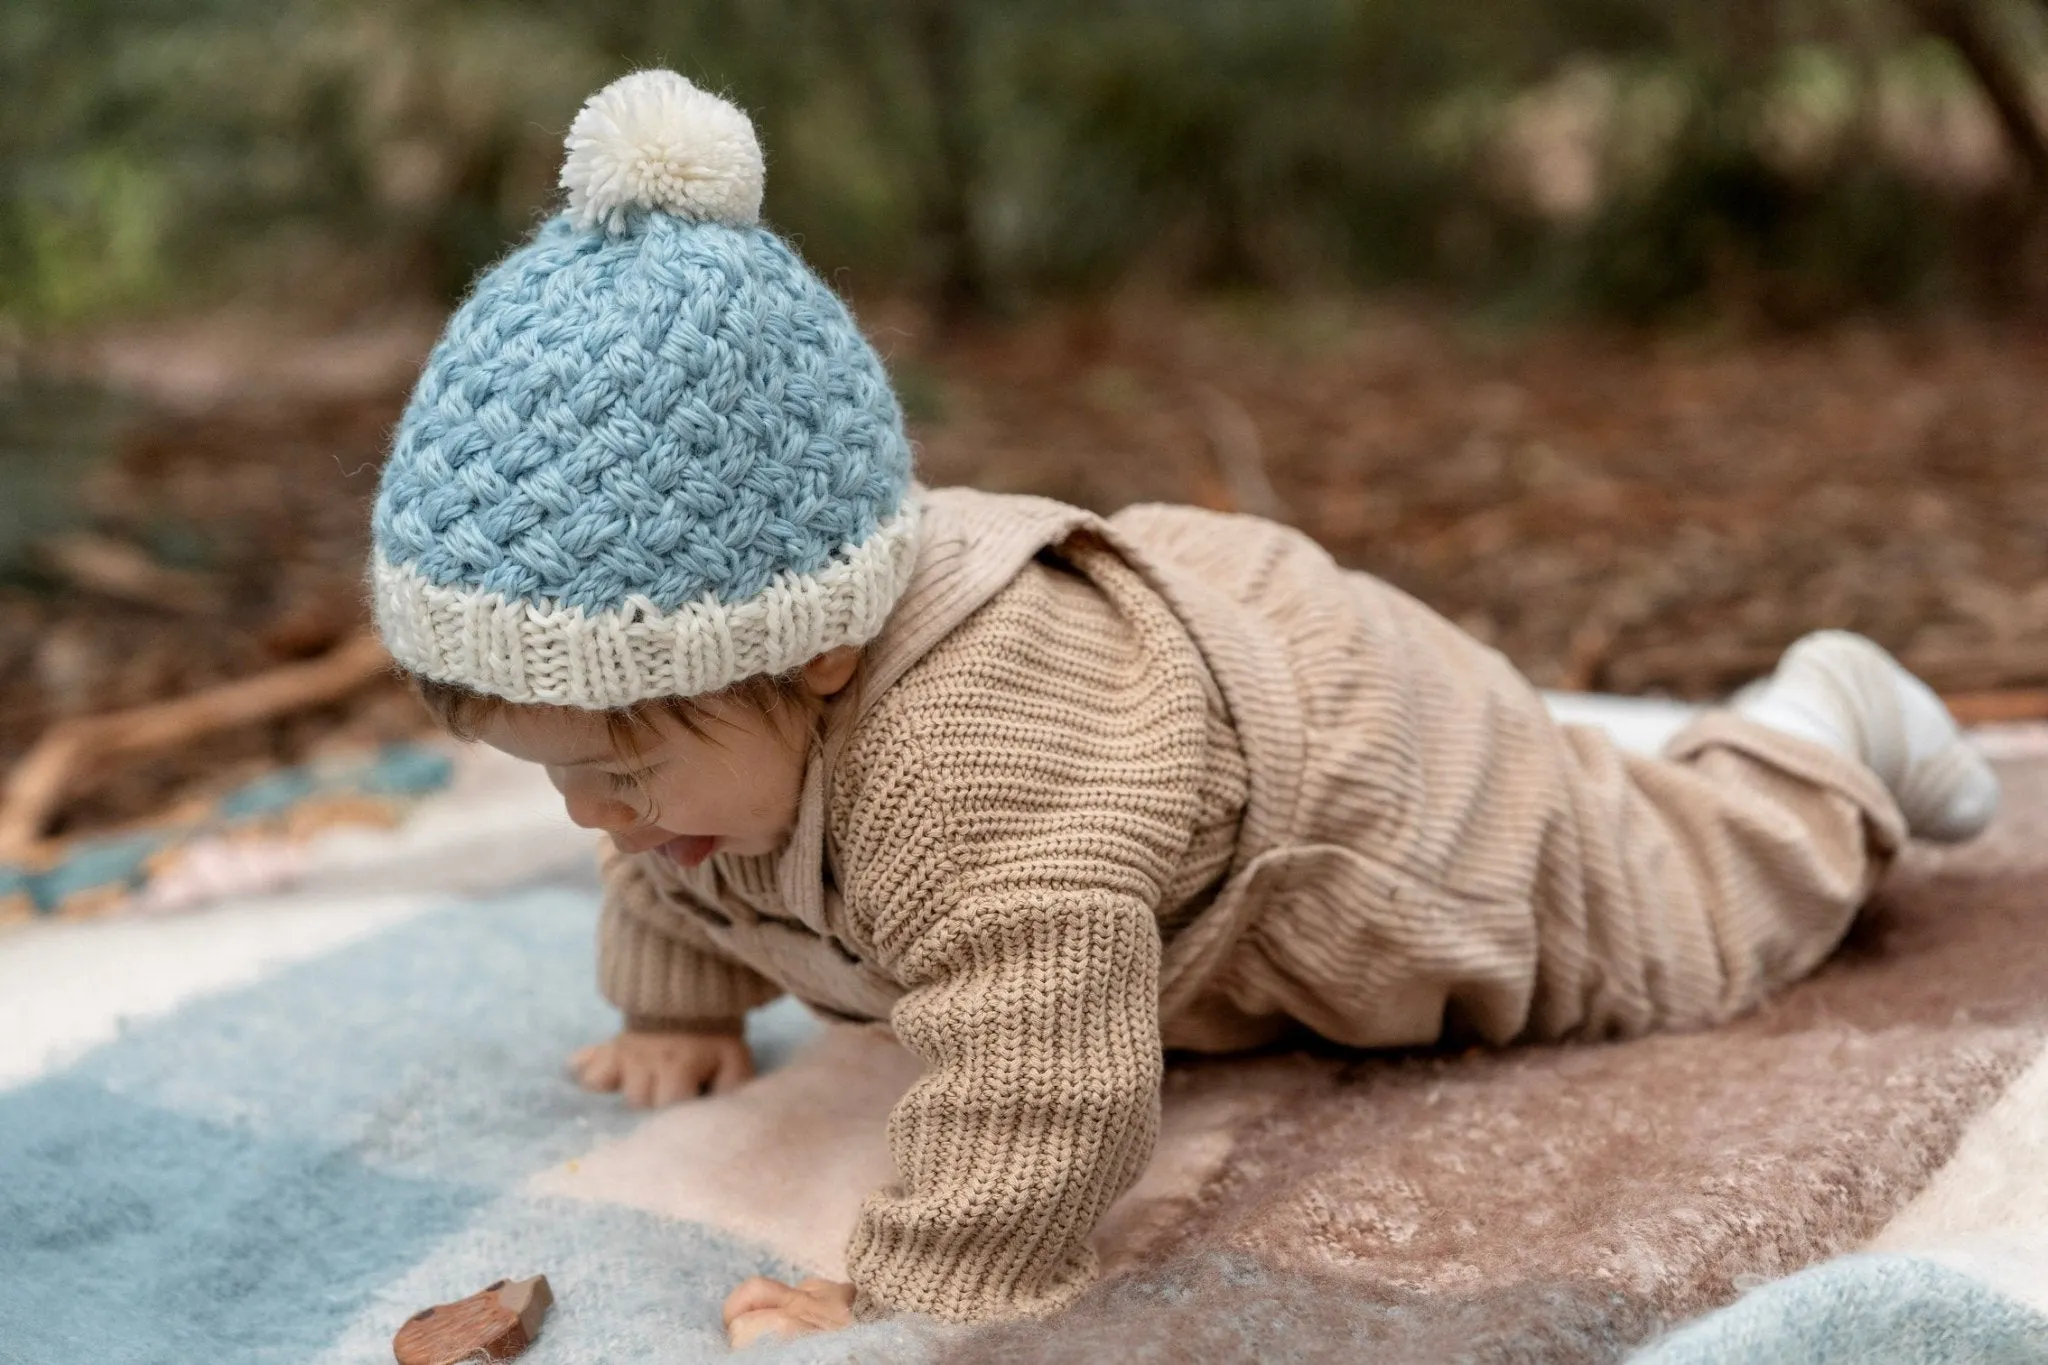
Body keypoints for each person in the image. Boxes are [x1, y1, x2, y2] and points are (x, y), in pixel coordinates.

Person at [367, 70, 2000, 1347]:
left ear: (819, 656)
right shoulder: (683, 742)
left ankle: (1814, 735)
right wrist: (678, 1009)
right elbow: (669, 847)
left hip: (1365, 781)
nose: (601, 815)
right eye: (553, 771)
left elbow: (1045, 1069)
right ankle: (1680, 753)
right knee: (672, 797)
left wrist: (923, 1287)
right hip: (1184, 669)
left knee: (1667, 924)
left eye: (625, 766)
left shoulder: (968, 773)